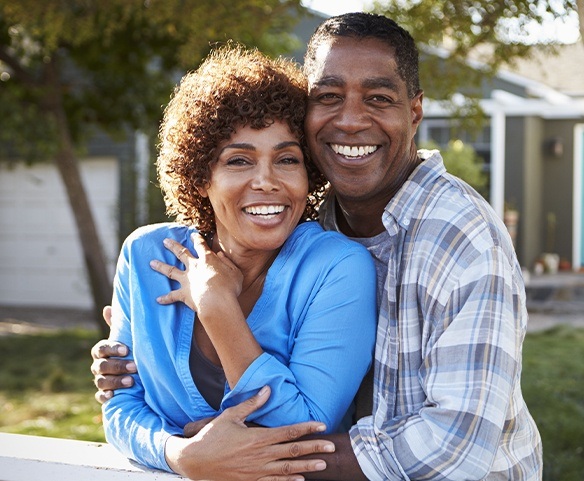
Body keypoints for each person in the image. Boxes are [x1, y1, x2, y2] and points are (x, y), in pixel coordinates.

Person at [92, 12, 543, 480]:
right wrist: (179, 453)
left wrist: (240, 454)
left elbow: (456, 446)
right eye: (327, 97)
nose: (349, 120)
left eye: (379, 97)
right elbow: (123, 401)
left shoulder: (461, 240)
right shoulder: (319, 214)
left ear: (415, 112)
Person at [99, 43, 378, 478]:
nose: (266, 182)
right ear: (199, 176)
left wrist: (216, 306)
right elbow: (119, 406)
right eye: (239, 160)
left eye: (287, 159)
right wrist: (181, 454)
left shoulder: (337, 268)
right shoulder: (145, 256)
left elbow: (305, 431)